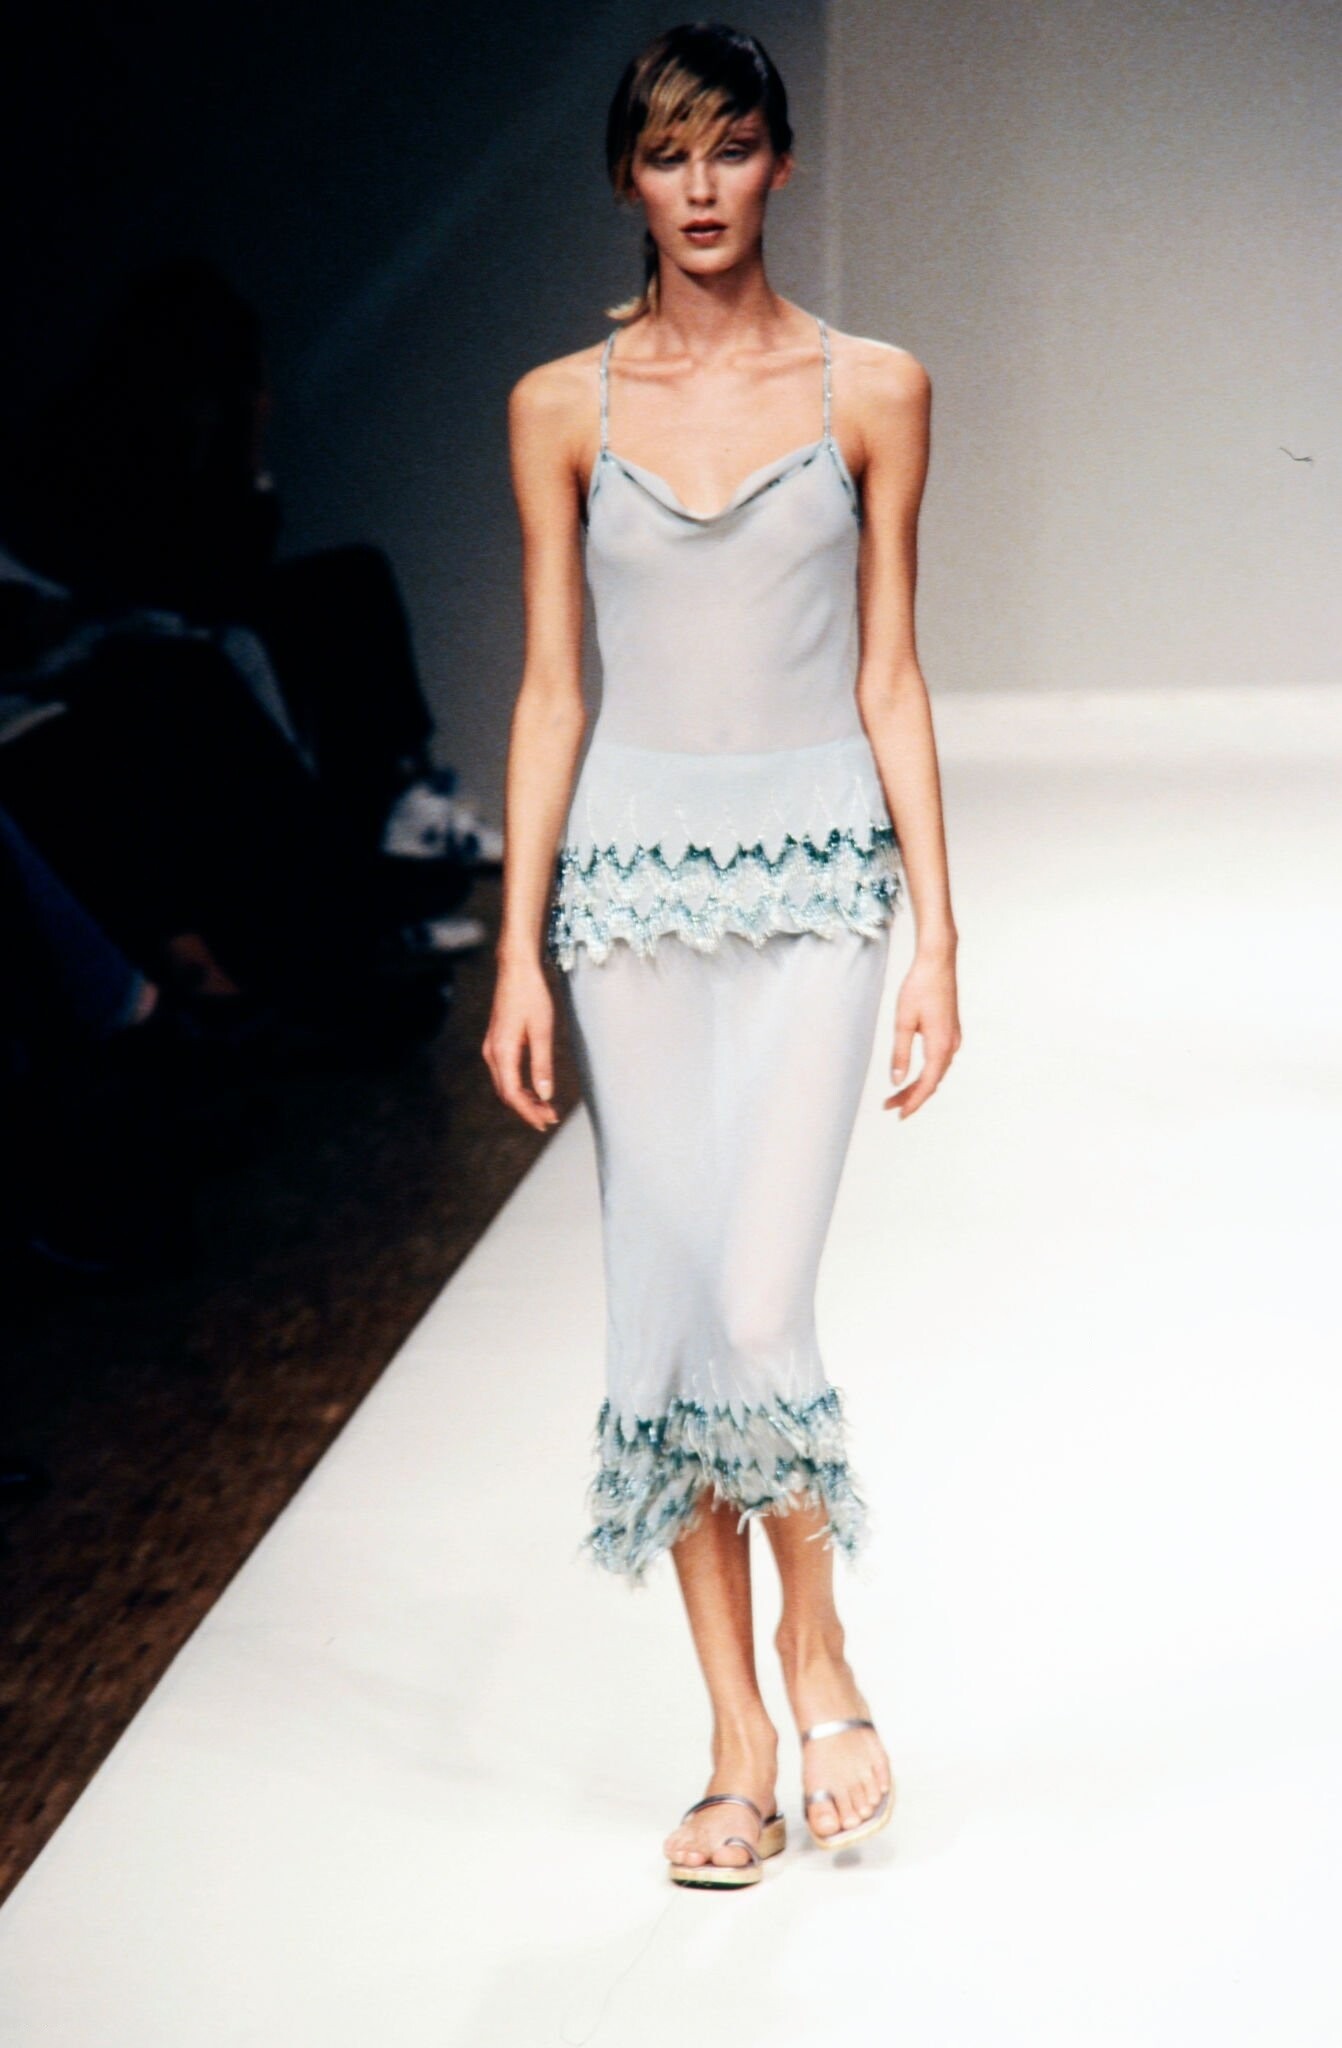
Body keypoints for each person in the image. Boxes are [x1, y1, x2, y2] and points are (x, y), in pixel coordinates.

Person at [483, 22, 961, 1888]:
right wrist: (516, 957)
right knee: (668, 1310)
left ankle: (816, 1650)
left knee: (758, 1304)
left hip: (821, 883)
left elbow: (889, 670)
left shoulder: (874, 388)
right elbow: (550, 692)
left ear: (779, 163)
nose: (700, 185)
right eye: (668, 152)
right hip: (626, 904)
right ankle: (735, 1739)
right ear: (627, 175)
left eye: (732, 145)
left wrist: (938, 935)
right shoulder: (558, 407)